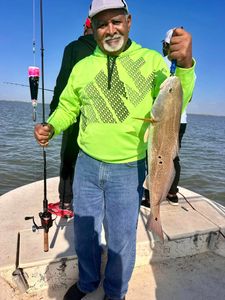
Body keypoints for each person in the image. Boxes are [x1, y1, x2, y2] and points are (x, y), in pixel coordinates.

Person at [34, 0, 196, 299]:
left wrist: (185, 66)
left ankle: (115, 292)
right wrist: (52, 126)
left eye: (116, 22)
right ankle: (86, 283)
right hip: (87, 165)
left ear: (129, 21)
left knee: (121, 239)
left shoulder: (151, 61)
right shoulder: (83, 66)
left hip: (129, 168)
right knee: (85, 235)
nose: (110, 30)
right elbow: (68, 106)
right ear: (93, 29)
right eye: (101, 24)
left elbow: (177, 101)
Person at [47, 18, 97, 218]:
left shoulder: (73, 48)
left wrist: (54, 113)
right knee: (91, 158)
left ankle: (66, 202)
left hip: (73, 113)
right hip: (96, 118)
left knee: (68, 158)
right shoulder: (108, 51)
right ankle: (89, 201)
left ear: (85, 28)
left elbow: (63, 82)